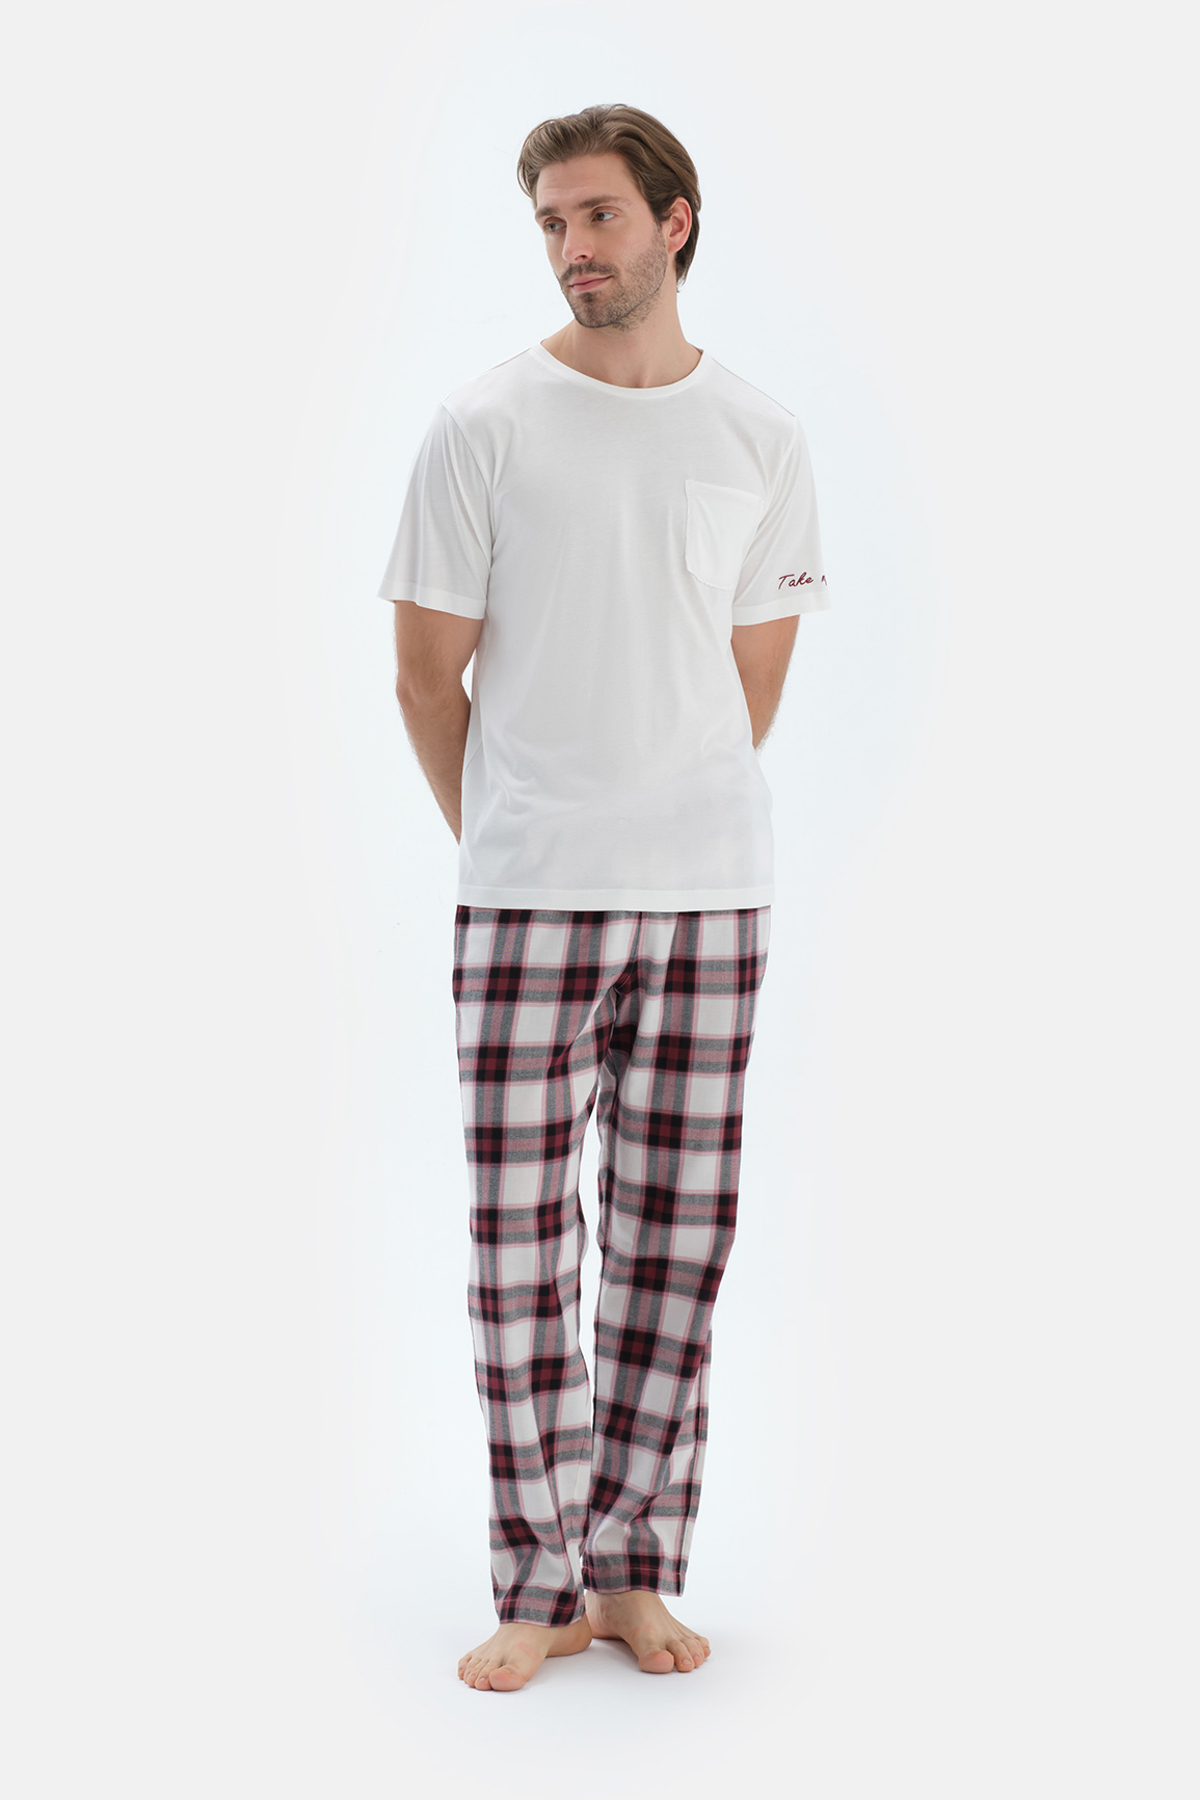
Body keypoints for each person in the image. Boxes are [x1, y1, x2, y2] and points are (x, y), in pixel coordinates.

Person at [376, 103, 831, 1692]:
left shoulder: (762, 437)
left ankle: (634, 1571)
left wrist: (659, 808)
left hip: (713, 897)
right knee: (518, 1253)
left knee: (672, 1250)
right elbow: (425, 676)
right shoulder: (482, 425)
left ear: (674, 220)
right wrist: (508, 839)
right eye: (553, 224)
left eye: (598, 217)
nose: (574, 248)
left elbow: (751, 683)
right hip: (528, 901)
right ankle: (538, 1582)